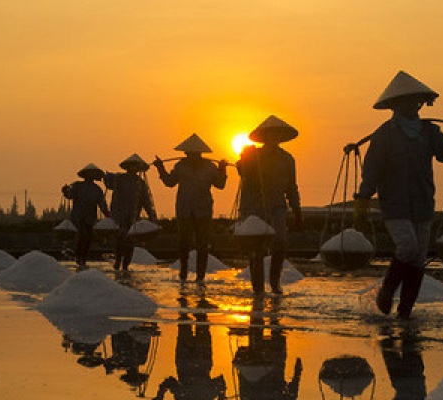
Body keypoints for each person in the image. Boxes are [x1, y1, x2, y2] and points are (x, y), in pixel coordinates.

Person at [353, 70, 443, 318]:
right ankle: (386, 292)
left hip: (423, 203)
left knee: (418, 258)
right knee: (407, 248)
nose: (413, 105)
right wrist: (362, 198)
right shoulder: (385, 135)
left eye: (416, 101)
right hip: (395, 204)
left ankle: (405, 311)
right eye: (406, 101)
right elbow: (372, 170)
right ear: (394, 104)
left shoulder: (428, 131)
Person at [236, 115, 303, 295]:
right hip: (254, 207)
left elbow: (291, 186)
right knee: (256, 248)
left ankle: (275, 283)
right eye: (270, 135)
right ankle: (257, 287)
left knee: (280, 243)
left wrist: (297, 210)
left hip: (277, 207)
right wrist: (244, 159)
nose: (273, 138)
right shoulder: (254, 155)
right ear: (264, 137)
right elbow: (243, 172)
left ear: (280, 138)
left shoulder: (288, 159)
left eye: (277, 135)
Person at [152, 134, 228, 283]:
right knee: (183, 244)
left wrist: (222, 170)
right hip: (184, 210)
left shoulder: (210, 167)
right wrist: (160, 168)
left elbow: (220, 185)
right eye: (188, 154)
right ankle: (183, 273)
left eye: (193, 154)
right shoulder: (181, 166)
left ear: (199, 154)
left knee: (202, 245)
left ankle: (200, 276)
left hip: (203, 210)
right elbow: (169, 182)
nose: (190, 156)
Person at [103, 154, 158, 272]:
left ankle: (125, 266)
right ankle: (118, 263)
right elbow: (109, 183)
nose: (133, 169)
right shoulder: (119, 179)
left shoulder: (140, 183)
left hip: (133, 216)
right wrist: (107, 177)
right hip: (119, 214)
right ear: (127, 167)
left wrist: (153, 218)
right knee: (120, 240)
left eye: (135, 166)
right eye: (131, 166)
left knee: (130, 241)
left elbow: (146, 201)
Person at [61, 163, 110, 269]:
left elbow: (102, 204)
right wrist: (65, 191)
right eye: (89, 174)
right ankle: (79, 257)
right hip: (78, 216)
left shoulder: (97, 189)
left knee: (87, 238)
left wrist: (108, 215)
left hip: (90, 218)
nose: (90, 176)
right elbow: (70, 196)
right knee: (81, 236)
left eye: (92, 174)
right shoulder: (77, 186)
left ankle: (82, 258)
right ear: (85, 175)